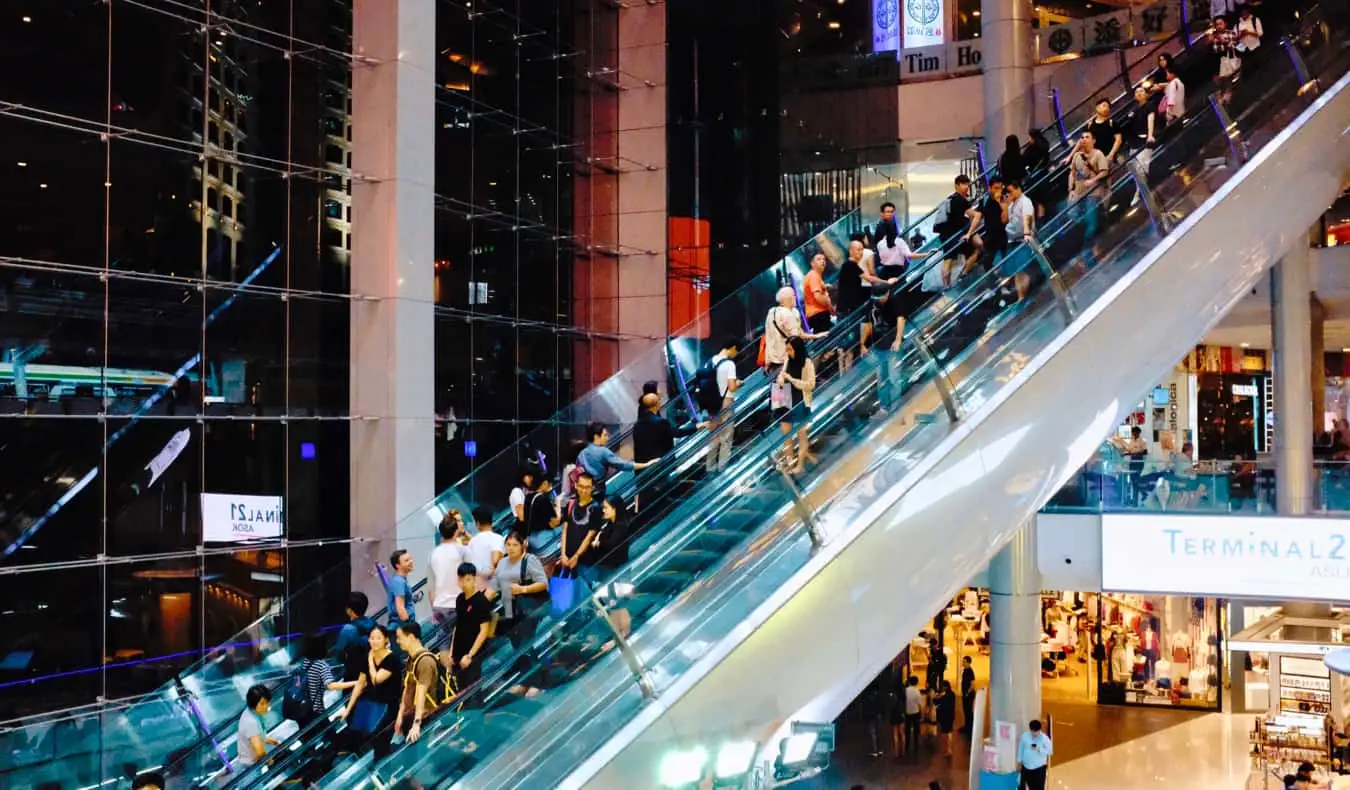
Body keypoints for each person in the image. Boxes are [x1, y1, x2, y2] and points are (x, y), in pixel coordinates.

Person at [334, 625, 402, 756]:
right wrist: (347, 711)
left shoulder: (392, 659)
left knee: (380, 739)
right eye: (372, 638)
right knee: (367, 735)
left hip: (388, 706)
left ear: (386, 640)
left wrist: (371, 660)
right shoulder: (366, 657)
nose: (375, 641)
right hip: (373, 704)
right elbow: (360, 684)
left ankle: (383, 764)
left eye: (378, 638)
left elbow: (376, 679)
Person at [487, 531, 549, 644]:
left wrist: (522, 589)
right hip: (517, 615)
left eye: (515, 545)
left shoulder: (530, 560)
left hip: (535, 610)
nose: (511, 548)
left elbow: (543, 583)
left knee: (532, 641)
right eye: (508, 545)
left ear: (521, 546)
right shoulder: (503, 564)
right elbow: (493, 587)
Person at [774, 337, 817, 474]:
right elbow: (781, 376)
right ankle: (790, 462)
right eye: (787, 349)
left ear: (797, 348)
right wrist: (780, 380)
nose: (787, 352)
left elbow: (811, 384)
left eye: (790, 349)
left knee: (801, 435)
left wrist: (792, 380)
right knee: (786, 435)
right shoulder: (788, 360)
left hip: (800, 400)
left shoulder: (807, 362)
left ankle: (800, 465)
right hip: (785, 399)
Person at [697, 337, 741, 472]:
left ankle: (709, 467)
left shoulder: (709, 361)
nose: (736, 354)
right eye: (736, 351)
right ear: (733, 348)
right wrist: (739, 383)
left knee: (714, 435)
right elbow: (732, 387)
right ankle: (723, 467)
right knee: (726, 435)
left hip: (712, 403)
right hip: (726, 400)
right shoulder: (729, 364)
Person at [1067, 129, 1110, 264]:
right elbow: (1072, 173)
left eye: (1087, 137)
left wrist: (1093, 180)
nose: (1084, 139)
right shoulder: (1077, 156)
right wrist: (1071, 189)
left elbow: (1104, 172)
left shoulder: (1098, 154)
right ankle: (1089, 238)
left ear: (1093, 140)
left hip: (1093, 193)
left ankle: (1087, 250)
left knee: (1091, 223)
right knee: (1072, 215)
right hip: (1079, 193)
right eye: (1082, 137)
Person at [393, 622, 440, 745]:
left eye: (400, 637)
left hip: (425, 719)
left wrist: (417, 723)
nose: (397, 641)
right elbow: (407, 689)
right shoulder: (412, 659)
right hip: (411, 716)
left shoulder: (425, 661)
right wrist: (400, 715)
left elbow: (421, 693)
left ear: (412, 637)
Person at [577, 422, 656, 494]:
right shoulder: (603, 451)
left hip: (581, 493)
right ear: (596, 437)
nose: (607, 438)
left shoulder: (581, 454)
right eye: (605, 435)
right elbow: (624, 465)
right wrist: (646, 464)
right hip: (597, 492)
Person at [450, 561, 493, 688]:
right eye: (461, 580)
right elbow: (457, 625)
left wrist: (470, 655)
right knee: (459, 688)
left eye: (468, 580)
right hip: (458, 652)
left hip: (473, 654)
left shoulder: (481, 601)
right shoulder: (460, 599)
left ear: (474, 579)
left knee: (472, 689)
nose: (464, 583)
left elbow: (484, 631)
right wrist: (452, 651)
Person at [428, 512, 468, 636]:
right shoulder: (462, 551)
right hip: (458, 604)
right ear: (456, 532)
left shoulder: (434, 553)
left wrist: (434, 608)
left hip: (440, 605)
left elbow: (431, 585)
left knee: (445, 642)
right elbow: (471, 578)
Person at [560, 471, 603, 585]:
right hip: (567, 558)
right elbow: (565, 530)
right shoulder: (570, 503)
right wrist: (563, 554)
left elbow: (589, 536)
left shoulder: (596, 508)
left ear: (592, 487)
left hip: (585, 561)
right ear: (575, 485)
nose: (584, 490)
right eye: (581, 486)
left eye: (587, 487)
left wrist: (577, 556)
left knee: (584, 591)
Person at [633, 392, 701, 463]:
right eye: (658, 400)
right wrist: (696, 427)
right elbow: (677, 433)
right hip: (664, 461)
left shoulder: (637, 426)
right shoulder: (660, 421)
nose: (660, 402)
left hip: (648, 466)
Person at [934, 175, 977, 287]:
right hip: (953, 233)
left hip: (946, 233)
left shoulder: (950, 198)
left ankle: (946, 286)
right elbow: (974, 215)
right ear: (957, 185)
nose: (966, 187)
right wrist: (970, 229)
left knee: (948, 259)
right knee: (950, 259)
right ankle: (958, 277)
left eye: (967, 184)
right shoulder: (960, 199)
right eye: (963, 184)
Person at [1000, 179, 1036, 301]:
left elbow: (1027, 218)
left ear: (1018, 188)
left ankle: (1023, 297)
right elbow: (1006, 220)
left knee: (1022, 270)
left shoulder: (1025, 202)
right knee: (1016, 271)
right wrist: (1005, 204)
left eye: (1010, 191)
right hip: (1013, 241)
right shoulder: (1011, 205)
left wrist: (1027, 233)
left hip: (1023, 240)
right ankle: (1020, 296)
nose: (1009, 194)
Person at [837, 241, 868, 372]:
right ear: (850, 251)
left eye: (862, 250)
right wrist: (885, 282)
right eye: (858, 250)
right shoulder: (850, 265)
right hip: (848, 311)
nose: (861, 253)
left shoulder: (849, 266)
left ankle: (843, 374)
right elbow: (869, 278)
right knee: (848, 344)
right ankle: (845, 374)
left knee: (846, 344)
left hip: (847, 310)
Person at [334, 591, 376, 682]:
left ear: (349, 610)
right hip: (373, 666)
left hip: (356, 673)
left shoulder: (348, 629)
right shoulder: (372, 622)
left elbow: (339, 652)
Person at [293, 631, 334, 724]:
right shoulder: (321, 665)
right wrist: (356, 683)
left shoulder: (305, 661)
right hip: (316, 710)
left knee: (308, 735)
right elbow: (330, 685)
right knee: (329, 733)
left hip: (301, 710)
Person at [236, 684, 278, 769]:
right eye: (262, 704)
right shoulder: (251, 722)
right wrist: (271, 763)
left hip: (251, 757)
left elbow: (255, 736)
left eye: (267, 702)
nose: (266, 706)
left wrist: (268, 740)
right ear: (253, 704)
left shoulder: (252, 712)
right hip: (252, 763)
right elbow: (260, 753)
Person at [1122, 85, 1158, 178]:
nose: (1139, 93)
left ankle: (1146, 189)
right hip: (1134, 143)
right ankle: (1140, 190)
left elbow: (1151, 120)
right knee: (1134, 169)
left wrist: (1150, 135)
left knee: (1143, 168)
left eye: (1141, 91)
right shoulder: (1134, 110)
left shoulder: (1150, 105)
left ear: (1146, 94)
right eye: (1137, 92)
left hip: (1145, 140)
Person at [466, 505, 505, 589]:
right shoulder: (498, 538)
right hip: (498, 586)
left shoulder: (472, 542)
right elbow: (496, 560)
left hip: (480, 588)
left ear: (477, 523)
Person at [802, 252, 834, 335]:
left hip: (817, 315)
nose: (822, 261)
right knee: (826, 342)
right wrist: (830, 307)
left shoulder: (815, 276)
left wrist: (824, 287)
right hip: (819, 315)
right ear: (812, 263)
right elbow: (817, 296)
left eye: (824, 259)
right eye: (819, 259)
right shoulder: (813, 275)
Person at [1017, 719, 1053, 790]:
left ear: (1039, 730)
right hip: (1026, 767)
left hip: (1038, 769)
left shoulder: (1045, 739)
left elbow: (1050, 751)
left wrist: (1039, 749)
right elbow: (1021, 749)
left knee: (1037, 788)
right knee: (1021, 786)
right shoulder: (1025, 736)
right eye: (1032, 731)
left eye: (1036, 732)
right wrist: (1019, 762)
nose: (1034, 734)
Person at [1086, 97, 1123, 164]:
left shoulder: (1112, 123)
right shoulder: (1090, 125)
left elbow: (1118, 140)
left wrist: (1111, 155)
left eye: (1108, 107)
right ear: (1097, 108)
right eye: (1104, 106)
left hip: (1112, 159)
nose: (1106, 109)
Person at [386, 549, 416, 627]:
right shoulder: (398, 582)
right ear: (397, 565)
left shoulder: (401, 580)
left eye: (410, 559)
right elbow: (400, 608)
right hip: (401, 627)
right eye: (406, 560)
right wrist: (409, 628)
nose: (411, 561)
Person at [934, 679, 956, 757]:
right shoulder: (952, 694)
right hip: (950, 716)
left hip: (944, 717)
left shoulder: (944, 696)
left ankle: (947, 749)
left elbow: (937, 702)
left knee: (944, 733)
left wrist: (938, 698)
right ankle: (949, 749)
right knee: (949, 732)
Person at [903, 675, 923, 754]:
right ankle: (916, 743)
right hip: (915, 712)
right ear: (917, 682)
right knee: (916, 728)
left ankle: (907, 744)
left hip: (907, 712)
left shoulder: (905, 690)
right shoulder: (917, 691)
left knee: (907, 729)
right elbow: (919, 703)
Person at [960, 655, 977, 735]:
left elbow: (973, 684)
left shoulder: (970, 671)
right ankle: (967, 726)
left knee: (969, 711)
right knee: (966, 711)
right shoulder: (965, 670)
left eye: (964, 662)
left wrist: (967, 692)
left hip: (969, 695)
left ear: (968, 662)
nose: (962, 663)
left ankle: (970, 727)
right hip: (965, 694)